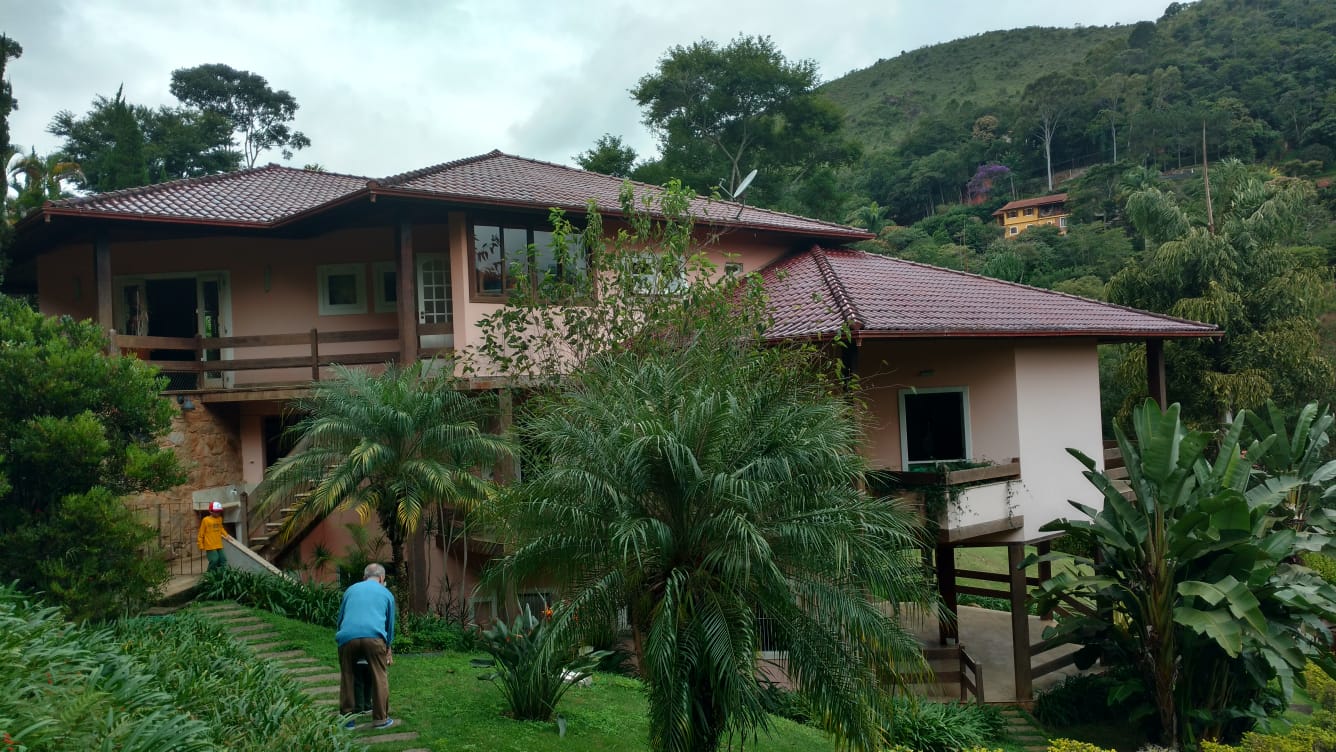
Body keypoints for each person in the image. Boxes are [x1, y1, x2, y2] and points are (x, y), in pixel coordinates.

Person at [336, 562, 396, 730]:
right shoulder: (386, 594)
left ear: (364, 577)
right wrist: (388, 647)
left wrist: (342, 638)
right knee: (379, 676)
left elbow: (341, 618)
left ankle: (347, 719)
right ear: (382, 578)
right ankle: (380, 719)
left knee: (347, 675)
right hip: (374, 637)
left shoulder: (350, 590)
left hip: (347, 637)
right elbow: (390, 625)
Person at [196, 501, 228, 571]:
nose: (218, 513)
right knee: (214, 560)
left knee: (223, 559)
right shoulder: (206, 520)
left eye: (219, 511)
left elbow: (221, 528)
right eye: (216, 511)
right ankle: (209, 574)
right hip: (210, 545)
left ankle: (222, 574)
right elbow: (201, 533)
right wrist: (200, 544)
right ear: (210, 511)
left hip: (218, 544)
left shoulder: (219, 519)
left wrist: (226, 535)